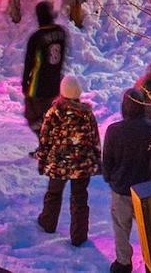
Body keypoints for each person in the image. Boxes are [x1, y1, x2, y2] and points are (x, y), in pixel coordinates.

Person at [37, 76, 101, 247]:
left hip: (59, 163)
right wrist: (96, 160)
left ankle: (48, 223)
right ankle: (79, 236)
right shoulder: (87, 114)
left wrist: (42, 160)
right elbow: (95, 139)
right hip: (81, 164)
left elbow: (45, 139)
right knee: (79, 198)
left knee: (53, 194)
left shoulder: (54, 113)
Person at [101, 88, 151, 273]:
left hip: (122, 188)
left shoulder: (114, 130)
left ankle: (123, 262)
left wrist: (109, 178)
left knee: (121, 228)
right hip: (147, 190)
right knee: (149, 230)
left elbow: (107, 160)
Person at [23, 1, 68, 139]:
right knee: (52, 116)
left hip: (38, 85)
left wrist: (25, 83)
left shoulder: (36, 37)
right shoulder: (61, 32)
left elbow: (29, 63)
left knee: (34, 118)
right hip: (55, 81)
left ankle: (45, 145)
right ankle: (52, 144)